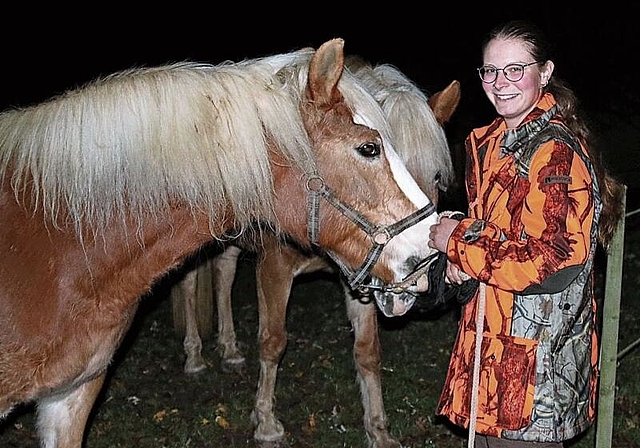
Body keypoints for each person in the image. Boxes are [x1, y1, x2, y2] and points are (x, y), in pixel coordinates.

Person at [427, 20, 624, 448]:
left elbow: (550, 262)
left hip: (535, 374)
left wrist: (458, 241)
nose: (500, 83)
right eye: (490, 71)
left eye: (516, 69)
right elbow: (499, 230)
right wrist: (464, 262)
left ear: (546, 72)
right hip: (488, 350)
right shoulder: (492, 143)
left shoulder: (554, 153)